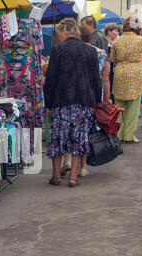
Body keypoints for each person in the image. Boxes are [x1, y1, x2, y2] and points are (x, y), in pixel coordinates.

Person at [44, 18, 102, 187]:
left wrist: (48, 102)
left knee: (58, 137)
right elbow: (95, 80)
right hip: (84, 101)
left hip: (61, 101)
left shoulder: (57, 50)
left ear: (64, 31)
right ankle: (73, 177)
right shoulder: (90, 51)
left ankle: (55, 175)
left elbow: (51, 79)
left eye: (58, 33)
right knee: (79, 137)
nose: (57, 36)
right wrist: (97, 101)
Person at [110, 16, 142, 144]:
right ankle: (129, 136)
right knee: (133, 107)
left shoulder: (117, 41)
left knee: (120, 106)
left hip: (120, 73)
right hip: (135, 74)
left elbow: (112, 58)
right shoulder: (140, 40)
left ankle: (119, 134)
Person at [104, 23, 120, 102]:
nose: (117, 33)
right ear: (109, 32)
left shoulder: (116, 43)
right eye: (115, 31)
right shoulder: (104, 43)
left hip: (115, 72)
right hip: (106, 72)